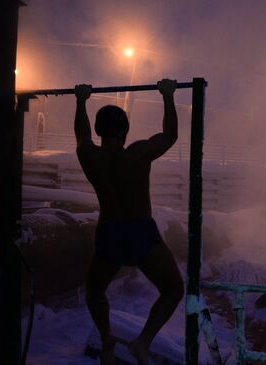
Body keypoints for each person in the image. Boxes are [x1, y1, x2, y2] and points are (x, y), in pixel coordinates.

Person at [74, 79, 184, 365]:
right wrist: (168, 95)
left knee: (95, 291)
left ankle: (107, 336)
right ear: (125, 130)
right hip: (140, 232)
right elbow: (170, 135)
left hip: (109, 232)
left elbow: (81, 135)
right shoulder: (137, 154)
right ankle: (143, 341)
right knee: (173, 290)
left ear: (100, 130)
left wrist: (81, 100)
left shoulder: (90, 156)